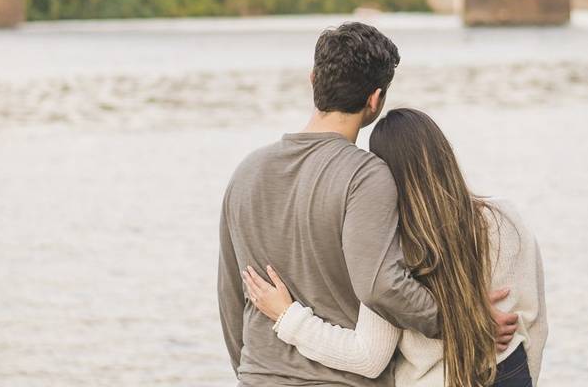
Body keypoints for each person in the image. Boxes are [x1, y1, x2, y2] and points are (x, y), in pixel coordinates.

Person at [218, 22, 522, 387]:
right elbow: (381, 286)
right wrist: (461, 320)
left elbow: (231, 297)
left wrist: (252, 372)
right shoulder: (365, 176)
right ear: (375, 99)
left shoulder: (246, 171)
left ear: (313, 80)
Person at [243, 108, 547, 387]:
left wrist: (288, 317)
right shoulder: (502, 220)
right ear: (444, 154)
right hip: (508, 375)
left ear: (385, 174)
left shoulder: (390, 245)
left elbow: (367, 358)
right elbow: (532, 324)